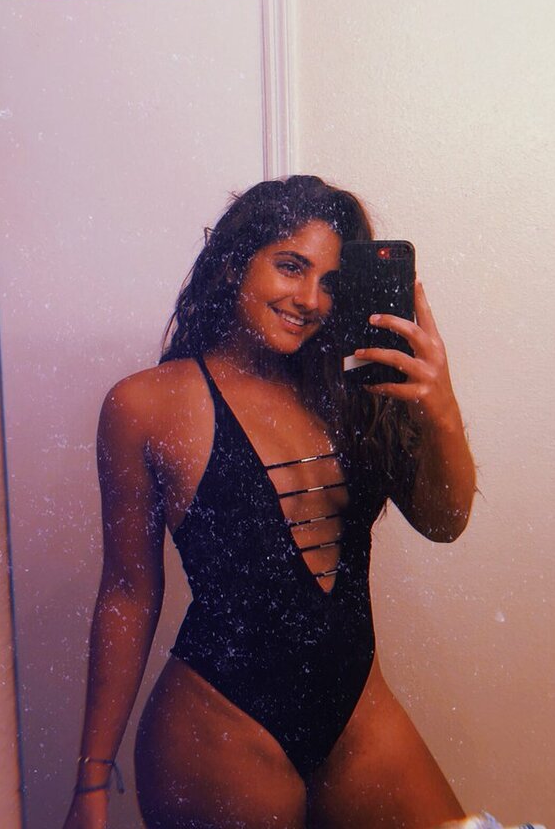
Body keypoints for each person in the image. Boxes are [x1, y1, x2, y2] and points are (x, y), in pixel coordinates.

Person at [62, 175, 476, 829]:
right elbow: (128, 590)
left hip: (358, 718)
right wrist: (91, 780)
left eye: (330, 282)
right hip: (219, 729)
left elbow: (445, 523)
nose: (309, 300)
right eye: (290, 266)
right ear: (235, 263)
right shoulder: (145, 403)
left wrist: (440, 403)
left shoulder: (352, 388)